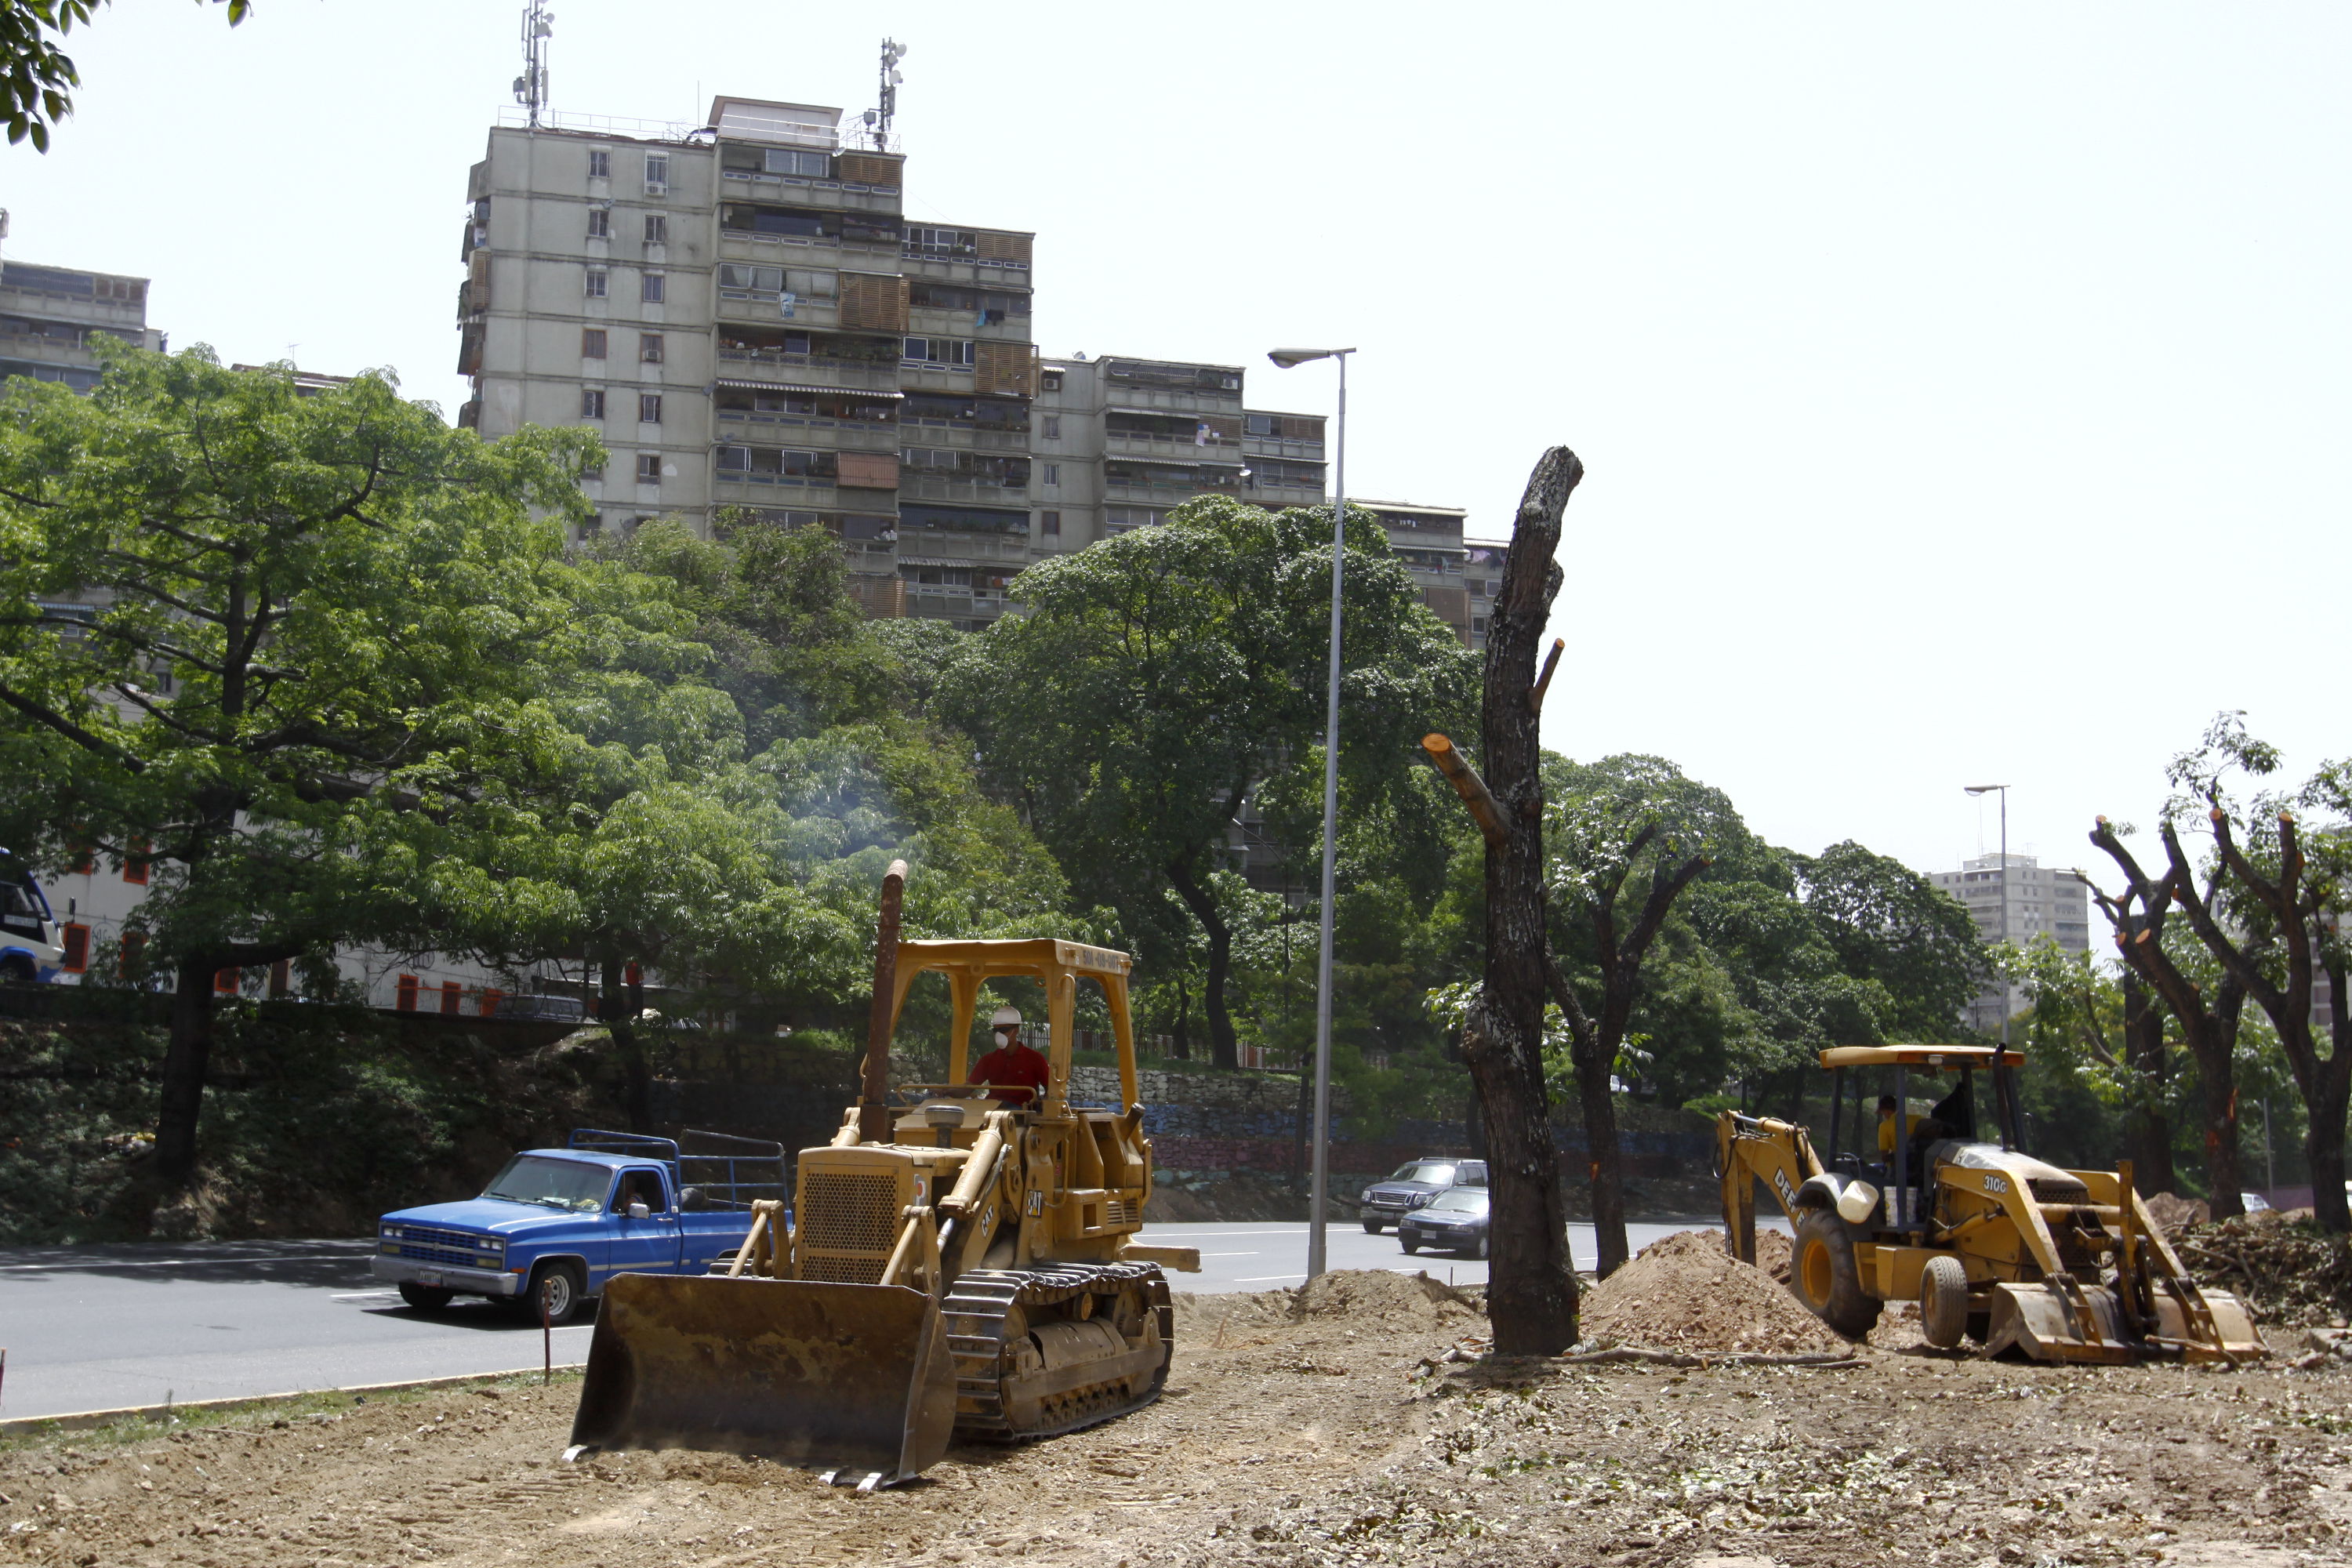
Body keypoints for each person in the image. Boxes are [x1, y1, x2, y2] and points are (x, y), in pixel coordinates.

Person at [969, 1005, 1049, 1105]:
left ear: (1016, 1030)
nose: (999, 1034)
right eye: (996, 1030)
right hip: (992, 1109)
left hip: (1021, 1114)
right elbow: (967, 1088)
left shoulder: (1035, 1059)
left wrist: (1043, 1103)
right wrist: (947, 1090)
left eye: (1003, 1030)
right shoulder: (988, 1060)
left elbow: (1051, 1090)